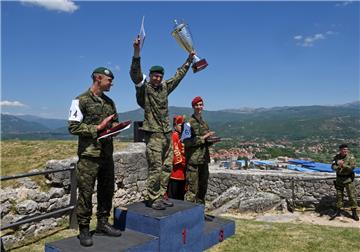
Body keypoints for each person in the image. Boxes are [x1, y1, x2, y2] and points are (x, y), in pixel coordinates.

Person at [130, 36, 195, 210]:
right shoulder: (145, 89)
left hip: (166, 133)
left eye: (160, 76)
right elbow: (135, 74)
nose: (157, 79)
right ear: (150, 76)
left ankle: (161, 194)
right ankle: (152, 198)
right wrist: (137, 52)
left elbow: (178, 76)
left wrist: (189, 60)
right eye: (155, 76)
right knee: (155, 168)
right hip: (153, 134)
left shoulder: (165, 87)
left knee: (167, 167)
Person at [68, 67, 122, 247]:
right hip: (89, 156)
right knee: (85, 192)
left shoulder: (109, 102)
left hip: (106, 154)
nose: (112, 83)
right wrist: (97, 128)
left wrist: (115, 128)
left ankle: (103, 223)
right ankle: (84, 229)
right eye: (109, 80)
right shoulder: (80, 100)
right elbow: (73, 127)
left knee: (106, 190)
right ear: (98, 78)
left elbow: (114, 121)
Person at [183, 96, 215, 207]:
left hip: (203, 159)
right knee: (192, 190)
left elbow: (205, 142)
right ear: (193, 106)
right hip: (193, 161)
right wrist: (204, 137)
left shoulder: (204, 123)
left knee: (202, 189)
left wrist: (211, 140)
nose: (199, 107)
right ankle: (188, 214)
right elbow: (186, 141)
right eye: (197, 105)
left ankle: (200, 212)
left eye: (200, 104)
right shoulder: (188, 123)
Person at [330, 144, 358, 221]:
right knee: (339, 196)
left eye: (346, 149)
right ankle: (338, 210)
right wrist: (338, 166)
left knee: (351, 196)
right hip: (339, 179)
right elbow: (332, 166)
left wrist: (343, 165)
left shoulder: (350, 157)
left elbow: (352, 168)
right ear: (340, 150)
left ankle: (354, 212)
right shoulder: (336, 157)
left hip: (348, 179)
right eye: (343, 149)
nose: (345, 151)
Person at [166, 115, 187, 200]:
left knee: (181, 196)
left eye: (183, 126)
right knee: (173, 196)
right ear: (175, 126)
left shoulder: (183, 136)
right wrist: (183, 161)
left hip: (183, 171)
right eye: (180, 125)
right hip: (176, 171)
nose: (182, 127)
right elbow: (175, 151)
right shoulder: (174, 136)